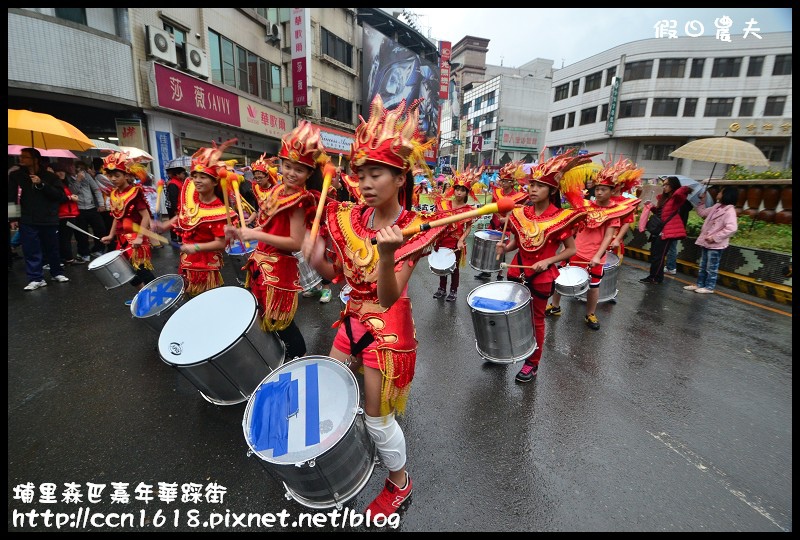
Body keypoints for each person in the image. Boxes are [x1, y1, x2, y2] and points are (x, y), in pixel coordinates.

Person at [302, 94, 452, 519]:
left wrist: (387, 256)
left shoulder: (412, 231)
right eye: (361, 174)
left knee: (377, 418)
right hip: (352, 320)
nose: (366, 183)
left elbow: (388, 298)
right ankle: (346, 463)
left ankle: (400, 483)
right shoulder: (349, 218)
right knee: (330, 389)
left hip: (387, 334)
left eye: (376, 174)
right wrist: (315, 255)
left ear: (400, 175)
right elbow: (337, 275)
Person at [226, 121, 326, 362]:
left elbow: (294, 242)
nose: (291, 172)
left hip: (279, 268)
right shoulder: (277, 191)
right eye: (287, 166)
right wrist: (243, 231)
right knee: (265, 316)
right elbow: (268, 224)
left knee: (282, 322)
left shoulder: (300, 200)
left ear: (309, 173)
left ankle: (299, 358)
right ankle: (280, 356)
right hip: (261, 262)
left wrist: (255, 234)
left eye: (299, 169)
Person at [495, 148, 595, 382]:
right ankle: (506, 352)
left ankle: (533, 362)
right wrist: (504, 248)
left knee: (536, 319)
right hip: (516, 271)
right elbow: (515, 243)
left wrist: (548, 261)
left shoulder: (560, 217)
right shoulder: (520, 213)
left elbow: (571, 250)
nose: (532, 189)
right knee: (509, 314)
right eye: (531, 185)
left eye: (539, 185)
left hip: (540, 277)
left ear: (551, 190)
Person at [546, 157, 640, 330]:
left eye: (603, 189)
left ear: (611, 191)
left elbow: (608, 237)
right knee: (560, 278)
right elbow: (568, 192)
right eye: (597, 189)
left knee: (593, 287)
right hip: (575, 252)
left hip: (595, 257)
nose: (598, 192)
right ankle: (555, 306)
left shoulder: (614, 212)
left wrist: (598, 256)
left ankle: (590, 314)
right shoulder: (585, 205)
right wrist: (561, 177)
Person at [154, 140, 239, 297]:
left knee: (204, 302)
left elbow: (220, 244)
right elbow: (184, 214)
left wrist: (196, 247)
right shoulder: (192, 195)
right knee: (188, 296)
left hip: (205, 266)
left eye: (203, 177)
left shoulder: (219, 211)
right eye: (195, 176)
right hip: (187, 260)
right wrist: (165, 225)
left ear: (215, 182)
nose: (197, 181)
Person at [7, 148, 70, 290]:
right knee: (30, 249)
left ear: (36, 159)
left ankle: (57, 272)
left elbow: (61, 197)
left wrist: (41, 184)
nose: (21, 159)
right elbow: (10, 197)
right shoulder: (16, 176)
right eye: (21, 156)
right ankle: (36, 278)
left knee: (52, 248)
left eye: (25, 157)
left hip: (49, 218)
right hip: (27, 218)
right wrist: (12, 218)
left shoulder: (50, 176)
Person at [99, 151, 156, 304]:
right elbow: (116, 218)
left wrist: (139, 237)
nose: (113, 179)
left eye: (116, 175)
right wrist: (111, 236)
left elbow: (145, 216)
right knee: (127, 272)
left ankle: (157, 295)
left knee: (142, 270)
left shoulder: (135, 192)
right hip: (122, 239)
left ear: (126, 175)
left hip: (137, 238)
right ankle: (143, 295)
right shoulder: (113, 194)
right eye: (110, 176)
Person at [431, 167, 480, 302]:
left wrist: (461, 240)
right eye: (457, 188)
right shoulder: (444, 204)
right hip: (442, 239)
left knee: (454, 267)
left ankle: (453, 290)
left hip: (456, 241)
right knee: (442, 264)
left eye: (462, 190)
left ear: (466, 193)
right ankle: (442, 288)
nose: (459, 192)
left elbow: (468, 227)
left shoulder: (468, 210)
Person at [475, 160, 527, 281]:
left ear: (512, 182)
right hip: (494, 223)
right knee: (487, 247)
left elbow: (521, 211)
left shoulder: (519, 196)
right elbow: (493, 206)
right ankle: (486, 271)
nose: (503, 183)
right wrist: (498, 216)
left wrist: (508, 218)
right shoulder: (497, 192)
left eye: (506, 181)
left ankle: (499, 273)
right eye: (502, 180)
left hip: (507, 227)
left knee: (501, 249)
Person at [684, 186, 739, 294]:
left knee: (711, 267)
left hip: (716, 244)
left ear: (727, 195)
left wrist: (714, 237)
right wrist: (702, 201)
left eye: (721, 192)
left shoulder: (730, 211)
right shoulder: (717, 206)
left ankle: (709, 287)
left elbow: (732, 228)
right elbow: (702, 213)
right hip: (706, 242)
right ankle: (700, 284)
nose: (718, 194)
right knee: (703, 265)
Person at [638, 176, 692, 284]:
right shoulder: (665, 198)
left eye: (667, 185)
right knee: (654, 255)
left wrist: (677, 188)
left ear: (673, 186)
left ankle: (656, 278)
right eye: (664, 185)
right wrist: (650, 206)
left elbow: (682, 192)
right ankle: (654, 276)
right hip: (659, 230)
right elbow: (660, 213)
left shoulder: (676, 199)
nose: (664, 187)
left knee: (659, 256)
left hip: (666, 231)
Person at [69, 161, 108, 261]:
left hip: (91, 207)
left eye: (82, 168)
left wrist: (101, 204)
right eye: (77, 168)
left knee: (100, 228)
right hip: (78, 209)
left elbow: (96, 189)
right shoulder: (68, 178)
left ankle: (98, 249)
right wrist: (78, 180)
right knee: (81, 233)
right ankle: (84, 253)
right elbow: (72, 192)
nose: (79, 170)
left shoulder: (87, 176)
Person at [52, 163, 81, 266]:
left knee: (65, 238)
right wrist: (70, 198)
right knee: (64, 238)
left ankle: (66, 258)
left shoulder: (63, 183)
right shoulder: (55, 184)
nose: (61, 173)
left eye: (63, 171)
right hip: (63, 214)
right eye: (58, 171)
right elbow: (57, 197)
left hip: (69, 213)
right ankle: (68, 258)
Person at [664, 196, 693, 274]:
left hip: (674, 227)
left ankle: (671, 267)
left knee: (671, 248)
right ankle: (670, 267)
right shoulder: (686, 204)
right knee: (671, 247)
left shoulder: (680, 203)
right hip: (678, 228)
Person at [92, 157, 115, 252]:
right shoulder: (98, 176)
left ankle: (111, 247)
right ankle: (111, 247)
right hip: (105, 206)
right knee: (108, 227)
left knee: (109, 227)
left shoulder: (100, 176)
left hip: (108, 205)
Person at [164, 162, 189, 243]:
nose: (184, 175)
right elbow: (173, 198)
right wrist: (176, 210)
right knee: (176, 223)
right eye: (182, 173)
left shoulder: (179, 181)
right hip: (175, 207)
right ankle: (176, 238)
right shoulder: (173, 184)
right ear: (177, 174)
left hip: (180, 206)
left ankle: (180, 238)